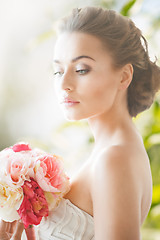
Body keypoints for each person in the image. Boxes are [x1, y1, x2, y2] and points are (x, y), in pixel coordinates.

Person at [0, 6, 160, 240]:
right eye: (58, 71)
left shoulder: (114, 159)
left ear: (124, 76)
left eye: (81, 69)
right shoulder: (115, 152)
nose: (64, 83)